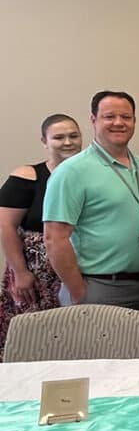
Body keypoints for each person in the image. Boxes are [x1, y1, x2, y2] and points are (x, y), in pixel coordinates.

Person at [44, 91, 139, 309]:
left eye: (126, 117)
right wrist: (78, 291)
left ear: (134, 121)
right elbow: (54, 238)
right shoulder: (71, 171)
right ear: (93, 120)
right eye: (109, 117)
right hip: (98, 287)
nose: (118, 123)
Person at [0, 114, 82, 360]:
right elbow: (5, 225)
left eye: (73, 136)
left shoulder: (88, 174)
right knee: (33, 341)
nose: (67, 142)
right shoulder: (28, 176)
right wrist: (20, 272)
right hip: (35, 276)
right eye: (59, 137)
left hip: (77, 270)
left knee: (74, 338)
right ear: (44, 141)